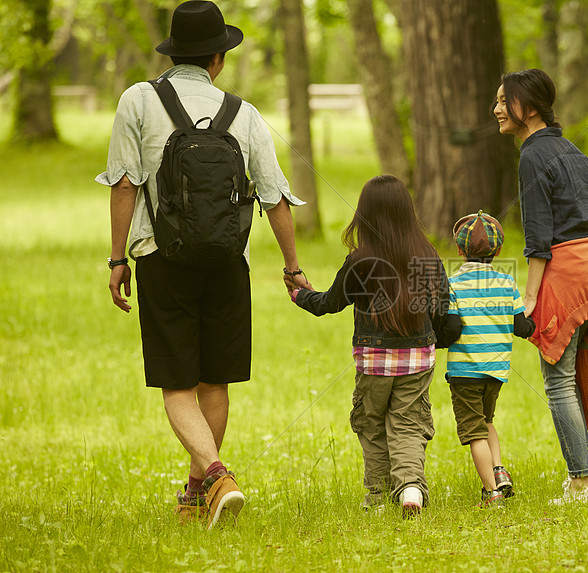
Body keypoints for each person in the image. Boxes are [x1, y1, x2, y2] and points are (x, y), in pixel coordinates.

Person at [98, 0, 310, 528]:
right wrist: (292, 266)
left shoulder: (138, 101)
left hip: (160, 260)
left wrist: (117, 257)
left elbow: (125, 182)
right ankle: (199, 492)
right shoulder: (244, 113)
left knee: (178, 383)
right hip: (225, 260)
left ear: (173, 55)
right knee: (215, 381)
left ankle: (212, 476)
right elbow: (275, 196)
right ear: (218, 57)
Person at [492, 69, 588, 504]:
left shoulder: (531, 155)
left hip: (564, 269)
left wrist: (529, 297)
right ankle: (583, 475)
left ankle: (581, 482)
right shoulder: (573, 150)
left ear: (526, 108)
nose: (496, 110)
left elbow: (539, 238)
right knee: (571, 375)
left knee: (558, 380)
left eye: (503, 101)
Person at [289, 175, 448, 518]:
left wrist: (300, 293)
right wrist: (443, 336)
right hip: (417, 359)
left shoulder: (360, 261)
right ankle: (410, 489)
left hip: (374, 363)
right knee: (408, 424)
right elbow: (442, 307)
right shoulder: (427, 256)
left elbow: (329, 303)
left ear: (364, 215)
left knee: (373, 426)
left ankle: (376, 497)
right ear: (408, 212)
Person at [438, 211, 535, 508]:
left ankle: (491, 493)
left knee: (474, 431)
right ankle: (499, 470)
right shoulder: (507, 282)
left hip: (465, 371)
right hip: (497, 371)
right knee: (487, 420)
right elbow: (522, 327)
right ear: (498, 251)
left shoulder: (452, 284)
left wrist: (436, 340)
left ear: (459, 249)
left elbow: (452, 329)